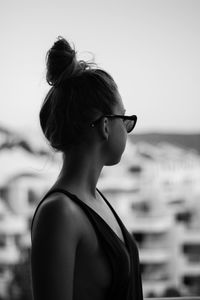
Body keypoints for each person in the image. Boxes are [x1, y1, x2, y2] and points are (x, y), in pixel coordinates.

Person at [30, 36, 143, 300]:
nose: (127, 130)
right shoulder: (59, 213)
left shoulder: (93, 200)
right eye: (124, 118)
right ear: (105, 125)